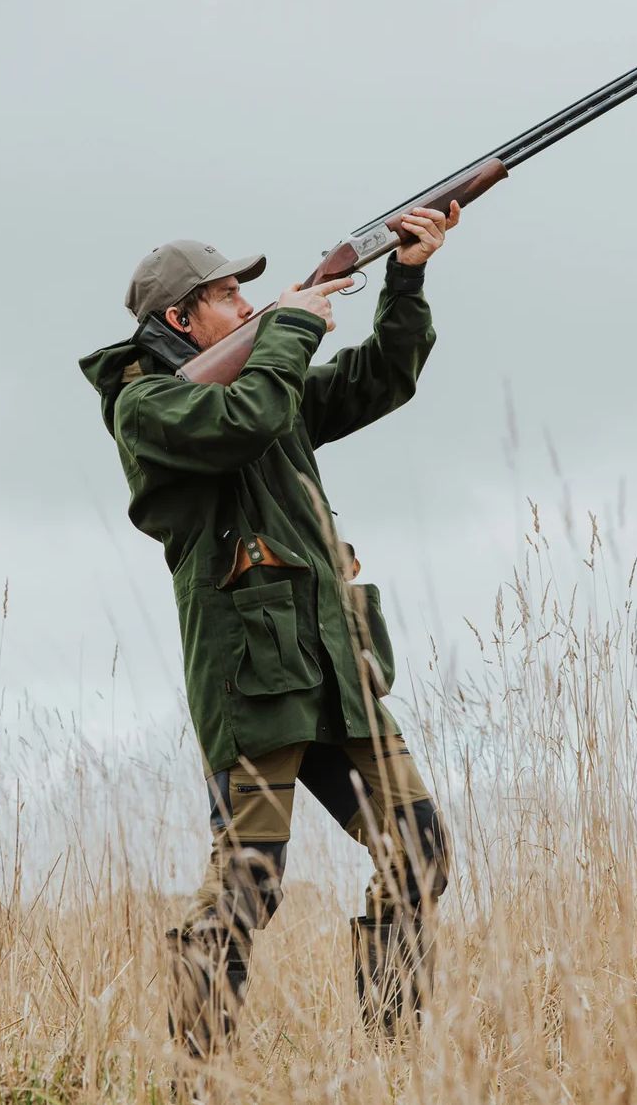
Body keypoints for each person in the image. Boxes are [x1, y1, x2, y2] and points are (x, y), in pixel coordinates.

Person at [78, 203, 460, 1054]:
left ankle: (394, 1052)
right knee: (249, 883)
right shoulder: (147, 407)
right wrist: (291, 324)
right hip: (251, 680)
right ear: (181, 319)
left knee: (420, 850)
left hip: (333, 671)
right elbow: (241, 421)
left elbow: (380, 378)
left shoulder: (265, 383)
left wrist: (405, 279)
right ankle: (196, 1070)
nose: (248, 305)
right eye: (226, 296)